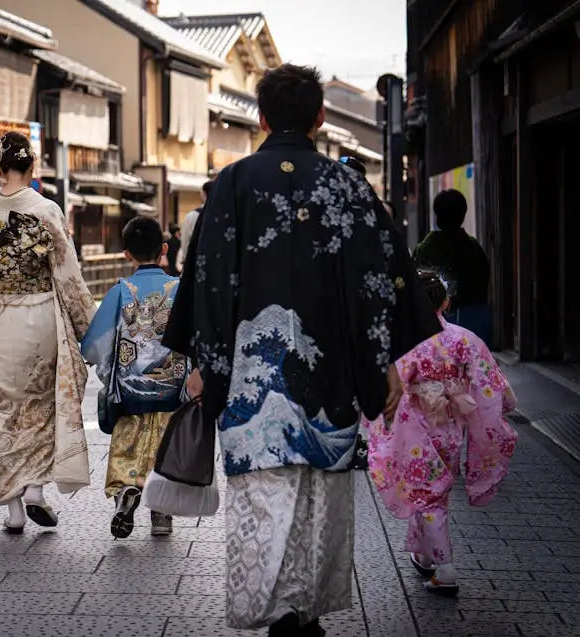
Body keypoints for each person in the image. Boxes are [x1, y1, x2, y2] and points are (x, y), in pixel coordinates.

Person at [165, 64, 440, 636]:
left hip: (248, 381)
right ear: (319, 118)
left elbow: (210, 284)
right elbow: (376, 283)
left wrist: (203, 368)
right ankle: (306, 610)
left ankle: (277, 613)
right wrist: (381, 364)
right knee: (320, 500)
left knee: (262, 499)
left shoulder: (232, 185)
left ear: (261, 117)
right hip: (331, 380)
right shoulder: (348, 188)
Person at [0, 131, 95, 534]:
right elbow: (68, 275)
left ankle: (13, 511)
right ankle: (35, 489)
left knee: (0, 416)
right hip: (39, 320)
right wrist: (88, 328)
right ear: (32, 167)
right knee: (41, 408)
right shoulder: (46, 210)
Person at [367, 270, 517, 596]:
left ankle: (446, 569)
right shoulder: (463, 339)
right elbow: (490, 380)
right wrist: (503, 403)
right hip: (450, 428)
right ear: (446, 301)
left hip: (416, 427)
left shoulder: (406, 340)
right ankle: (422, 553)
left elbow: (387, 382)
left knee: (428, 493)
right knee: (435, 491)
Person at [81, 216, 188, 538]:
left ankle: (126, 489)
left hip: (130, 391)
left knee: (127, 444)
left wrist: (92, 359)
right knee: (167, 448)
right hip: (173, 388)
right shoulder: (181, 289)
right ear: (164, 249)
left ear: (127, 254)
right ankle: (162, 514)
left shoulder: (121, 291)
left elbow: (95, 345)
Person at [413, 190, 491, 345]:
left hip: (438, 328)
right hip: (475, 322)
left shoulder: (425, 250)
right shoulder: (474, 247)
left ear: (437, 215)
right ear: (463, 215)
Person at [176, 180, 212, 273]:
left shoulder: (193, 215)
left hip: (196, 262)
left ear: (203, 194)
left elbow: (185, 241)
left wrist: (186, 258)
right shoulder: (227, 214)